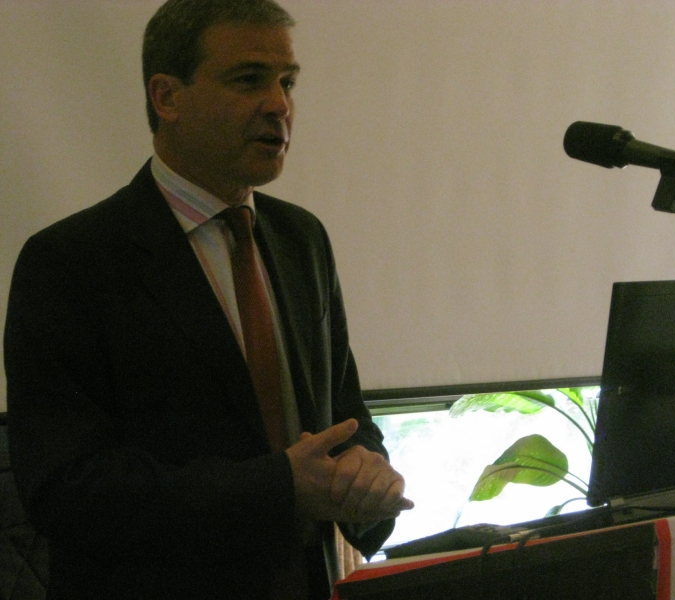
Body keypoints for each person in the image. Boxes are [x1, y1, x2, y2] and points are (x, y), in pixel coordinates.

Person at [3, 1, 413, 598]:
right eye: (249, 80)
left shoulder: (302, 239)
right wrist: (278, 487)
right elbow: (66, 489)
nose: (279, 105)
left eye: (287, 82)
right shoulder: (69, 262)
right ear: (167, 97)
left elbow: (345, 418)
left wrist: (367, 475)